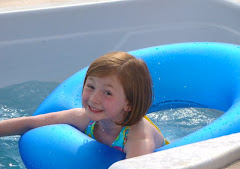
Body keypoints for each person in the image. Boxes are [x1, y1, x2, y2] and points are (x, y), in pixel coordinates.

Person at [0, 51, 168, 159]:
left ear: (128, 104)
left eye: (107, 92)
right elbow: (30, 123)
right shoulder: (84, 118)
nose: (94, 99)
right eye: (91, 86)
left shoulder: (137, 137)